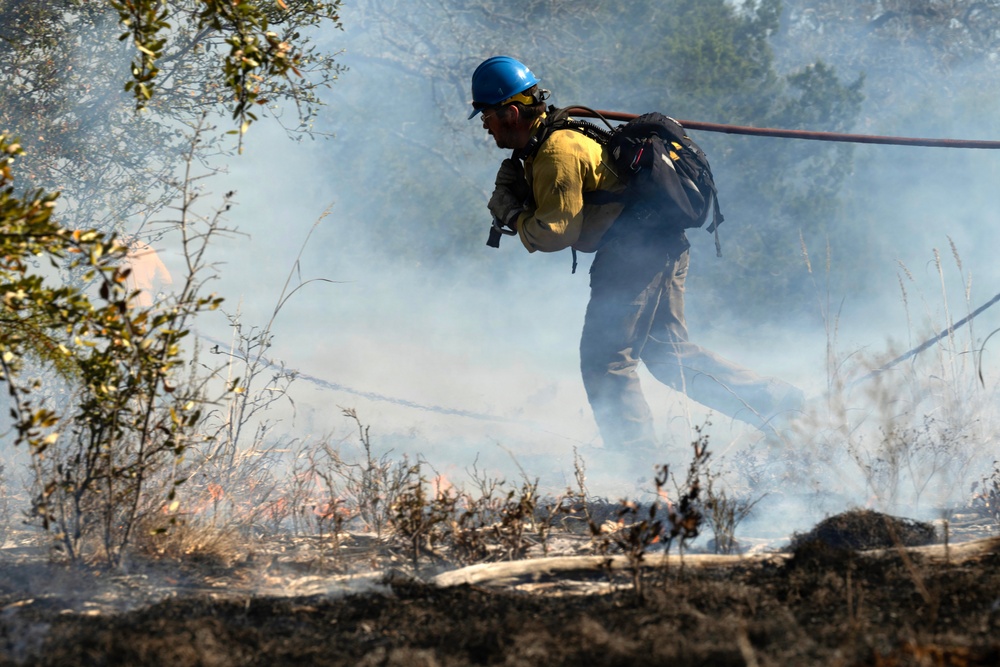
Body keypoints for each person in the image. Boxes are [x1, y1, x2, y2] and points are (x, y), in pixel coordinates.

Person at [470, 56, 804, 453]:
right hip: (659, 245)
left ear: (510, 112)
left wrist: (509, 211)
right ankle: (778, 404)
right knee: (667, 354)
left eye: (485, 115)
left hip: (633, 255)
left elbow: (557, 233)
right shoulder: (554, 139)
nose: (484, 126)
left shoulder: (556, 152)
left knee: (605, 363)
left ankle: (640, 467)